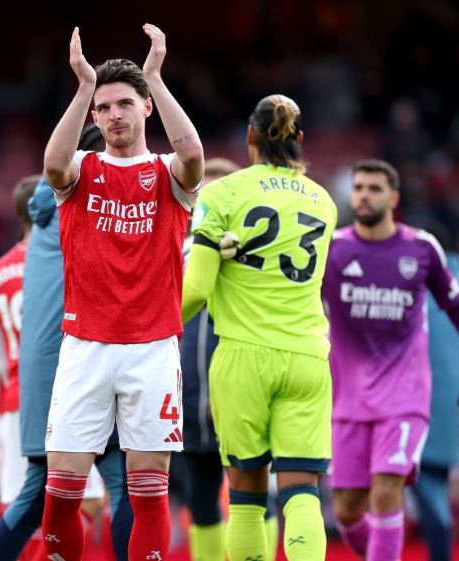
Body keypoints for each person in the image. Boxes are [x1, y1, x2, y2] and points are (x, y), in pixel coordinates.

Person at [41, 24, 204, 561]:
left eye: (125, 104)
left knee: (148, 493)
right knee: (60, 494)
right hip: (84, 345)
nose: (115, 114)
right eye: (105, 106)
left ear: (146, 108)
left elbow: (195, 156)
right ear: (94, 115)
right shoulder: (83, 170)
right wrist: (83, 86)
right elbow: (52, 166)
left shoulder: (165, 175)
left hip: (152, 348)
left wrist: (155, 77)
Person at [322, 159, 459, 561]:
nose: (364, 196)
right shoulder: (332, 250)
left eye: (374, 188)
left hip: (404, 397)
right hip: (348, 401)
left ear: (393, 197)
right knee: (347, 511)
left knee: (387, 489)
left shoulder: (420, 248)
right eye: (358, 188)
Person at [182, 95, 338, 561]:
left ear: (249, 136)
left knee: (246, 500)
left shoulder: (223, 193)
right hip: (308, 357)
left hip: (244, 358)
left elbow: (196, 289)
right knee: (302, 494)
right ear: (301, 140)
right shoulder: (325, 201)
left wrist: (152, 330)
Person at [0, 126, 131, 561]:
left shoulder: (46, 214)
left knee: (39, 491)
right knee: (118, 483)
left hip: (44, 369)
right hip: (75, 363)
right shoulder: (80, 205)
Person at [178, 157, 279, 561]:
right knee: (200, 498)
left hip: (242, 391)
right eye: (208, 192)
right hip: (187, 398)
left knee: (253, 494)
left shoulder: (258, 257)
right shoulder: (178, 250)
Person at [411, 229, 459, 561]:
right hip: (458, 406)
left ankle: (440, 542)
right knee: (435, 477)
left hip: (423, 404)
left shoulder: (423, 291)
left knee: (425, 480)